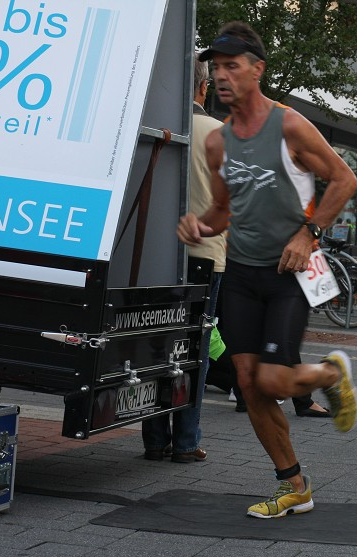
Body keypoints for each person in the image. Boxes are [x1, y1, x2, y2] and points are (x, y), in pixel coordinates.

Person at [179, 22, 357, 518]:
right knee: (249, 383)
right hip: (239, 272)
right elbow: (223, 211)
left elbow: (344, 180)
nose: (220, 75)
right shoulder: (216, 144)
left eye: (231, 66)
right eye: (215, 67)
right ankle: (293, 484)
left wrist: (310, 233)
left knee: (275, 381)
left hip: (289, 271)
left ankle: (329, 373)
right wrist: (200, 225)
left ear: (257, 70)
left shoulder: (290, 126)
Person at [142, 55, 227, 463]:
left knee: (153, 346)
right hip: (204, 256)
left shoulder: (153, 130)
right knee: (194, 350)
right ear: (203, 87)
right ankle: (186, 442)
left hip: (149, 257)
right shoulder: (218, 133)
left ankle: (154, 441)